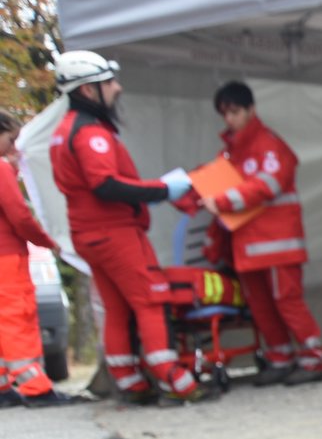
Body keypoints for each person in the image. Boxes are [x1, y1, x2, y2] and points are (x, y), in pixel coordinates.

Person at [46, 51, 212, 405]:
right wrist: (163, 189)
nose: (117, 88)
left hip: (90, 235)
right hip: (115, 233)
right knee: (151, 300)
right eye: (109, 83)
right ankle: (175, 382)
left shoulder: (64, 132)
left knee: (118, 306)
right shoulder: (91, 134)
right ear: (89, 91)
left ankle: (131, 381)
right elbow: (106, 185)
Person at [203, 81, 322, 387]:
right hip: (247, 245)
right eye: (225, 113)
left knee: (287, 301)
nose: (230, 119)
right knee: (260, 305)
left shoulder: (269, 144)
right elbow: (218, 184)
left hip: (278, 243)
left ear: (251, 110)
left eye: (235, 111)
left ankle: (314, 359)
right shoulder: (229, 153)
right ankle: (279, 358)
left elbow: (268, 184)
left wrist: (219, 200)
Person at [0, 110, 74, 407]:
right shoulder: (1, 169)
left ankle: (4, 388)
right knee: (17, 318)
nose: (14, 147)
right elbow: (19, 215)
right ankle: (37, 389)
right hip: (7, 258)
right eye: (11, 139)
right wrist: (48, 241)